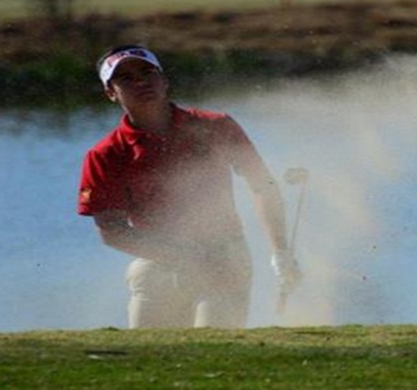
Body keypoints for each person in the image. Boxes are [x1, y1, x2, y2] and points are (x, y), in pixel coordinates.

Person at [77, 45, 300, 328]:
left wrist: (281, 251)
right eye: (125, 78)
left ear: (164, 80)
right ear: (110, 92)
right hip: (157, 261)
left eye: (148, 72)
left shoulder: (216, 126)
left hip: (224, 257)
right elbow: (111, 230)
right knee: (148, 356)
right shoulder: (105, 155)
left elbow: (262, 186)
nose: (140, 82)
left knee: (213, 349)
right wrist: (181, 256)